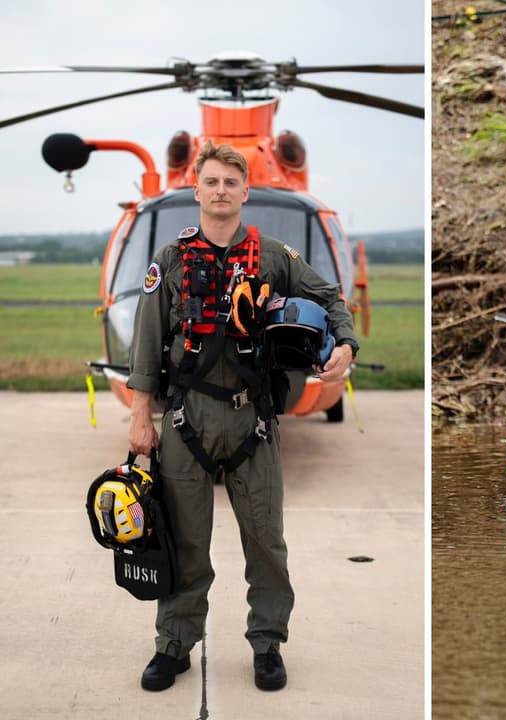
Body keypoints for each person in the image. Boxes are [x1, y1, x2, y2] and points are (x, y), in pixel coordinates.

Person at [126, 141, 359, 692]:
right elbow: (147, 339)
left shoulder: (276, 257)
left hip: (254, 420)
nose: (221, 190)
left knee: (265, 542)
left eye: (232, 182)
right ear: (198, 190)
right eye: (212, 182)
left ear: (245, 191)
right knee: (184, 540)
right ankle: (174, 641)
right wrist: (142, 414)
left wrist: (344, 343)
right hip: (187, 419)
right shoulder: (171, 260)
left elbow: (329, 297)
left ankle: (267, 644)